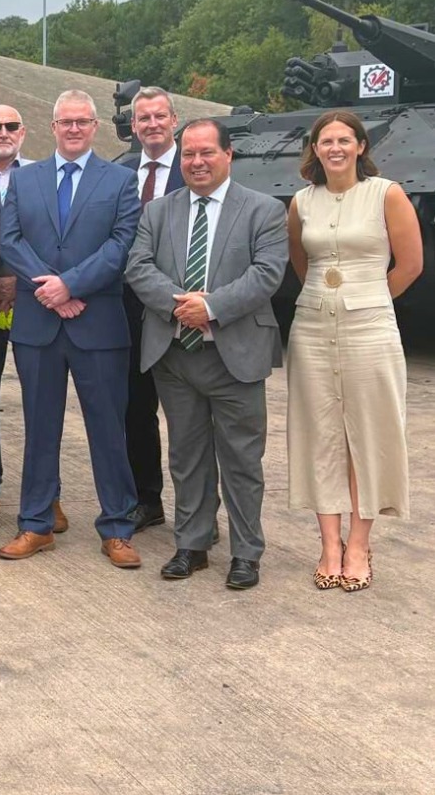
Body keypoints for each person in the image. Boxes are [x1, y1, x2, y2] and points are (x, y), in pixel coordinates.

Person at [125, 120, 288, 590]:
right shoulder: (157, 212)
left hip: (235, 355)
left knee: (241, 459)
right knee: (187, 455)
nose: (196, 162)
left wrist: (211, 308)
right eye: (189, 154)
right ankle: (192, 544)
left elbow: (267, 273)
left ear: (229, 154)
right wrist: (183, 307)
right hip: (175, 356)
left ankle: (246, 552)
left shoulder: (263, 210)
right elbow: (139, 266)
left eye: (206, 153)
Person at [0, 90, 142, 569]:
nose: (74, 128)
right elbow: (9, 239)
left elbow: (122, 244)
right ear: (53, 126)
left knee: (108, 429)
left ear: (95, 125)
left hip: (96, 322)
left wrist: (70, 284)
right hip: (39, 322)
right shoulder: (25, 179)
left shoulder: (121, 181)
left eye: (83, 121)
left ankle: (118, 527)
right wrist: (50, 289)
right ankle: (36, 524)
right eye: (66, 121)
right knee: (40, 429)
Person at [286, 110, 422, 593]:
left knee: (370, 431)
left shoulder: (386, 194)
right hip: (312, 327)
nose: (336, 148)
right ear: (316, 149)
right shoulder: (302, 202)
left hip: (370, 325)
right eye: (327, 141)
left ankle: (360, 545)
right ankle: (328, 545)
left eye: (345, 140)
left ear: (361, 146)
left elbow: (410, 264)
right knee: (320, 433)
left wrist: (368, 298)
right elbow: (303, 264)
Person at [0, 104, 49, 526]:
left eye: (11, 126)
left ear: (24, 132)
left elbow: (56, 240)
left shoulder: (43, 176)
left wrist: (18, 281)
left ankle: (46, 496)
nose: (3, 132)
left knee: (42, 401)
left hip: (33, 303)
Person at [119, 86, 186, 536]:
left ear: (174, 119)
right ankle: (148, 500)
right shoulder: (120, 173)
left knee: (190, 416)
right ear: (134, 126)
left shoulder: (198, 165)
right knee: (135, 410)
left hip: (187, 309)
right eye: (143, 118)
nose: (152, 124)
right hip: (128, 311)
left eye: (159, 116)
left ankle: (198, 509)